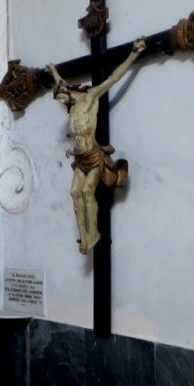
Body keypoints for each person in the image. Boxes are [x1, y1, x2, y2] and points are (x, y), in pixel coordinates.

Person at [48, 37, 146, 254]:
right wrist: (54, 72)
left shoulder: (90, 98)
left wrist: (134, 53)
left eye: (62, 98)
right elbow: (61, 82)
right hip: (80, 158)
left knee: (87, 191)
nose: (62, 102)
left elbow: (114, 78)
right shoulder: (72, 108)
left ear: (68, 92)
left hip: (94, 155)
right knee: (74, 192)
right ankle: (84, 236)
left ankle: (94, 232)